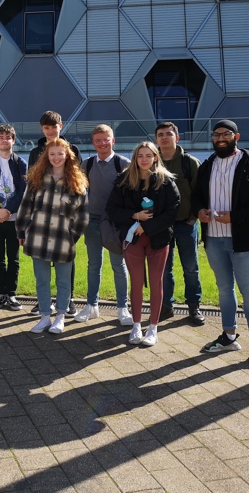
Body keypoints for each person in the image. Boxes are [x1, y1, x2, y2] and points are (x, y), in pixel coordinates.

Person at [192, 120, 249, 370]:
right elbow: (197, 195)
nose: (220, 138)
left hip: (244, 239)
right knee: (224, 289)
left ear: (236, 136)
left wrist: (236, 216)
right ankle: (228, 336)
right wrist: (199, 211)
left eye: (225, 134)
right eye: (216, 135)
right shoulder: (207, 165)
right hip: (214, 238)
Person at [106, 141, 179, 347]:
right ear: (135, 158)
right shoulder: (124, 181)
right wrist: (134, 216)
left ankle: (153, 327)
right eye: (140, 156)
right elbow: (112, 209)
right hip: (133, 240)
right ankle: (136, 326)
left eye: (149, 155)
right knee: (136, 283)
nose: (144, 159)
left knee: (156, 283)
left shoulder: (166, 182)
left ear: (156, 157)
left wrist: (146, 227)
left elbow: (172, 212)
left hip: (158, 239)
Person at [17, 138, 89, 334]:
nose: (56, 157)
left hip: (62, 241)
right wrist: (21, 231)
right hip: (37, 238)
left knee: (63, 281)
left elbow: (82, 216)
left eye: (60, 154)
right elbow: (25, 207)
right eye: (52, 154)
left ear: (67, 156)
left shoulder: (77, 183)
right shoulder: (36, 180)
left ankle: (60, 317)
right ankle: (44, 317)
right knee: (41, 280)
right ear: (46, 157)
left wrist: (71, 236)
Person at [27, 110, 83, 317]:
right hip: (42, 214)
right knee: (41, 257)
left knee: (66, 258)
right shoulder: (35, 152)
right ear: (42, 129)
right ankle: (43, 301)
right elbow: (32, 185)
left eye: (54, 127)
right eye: (47, 128)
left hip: (65, 214)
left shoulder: (73, 149)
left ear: (61, 125)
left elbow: (79, 181)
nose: (51, 131)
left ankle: (68, 300)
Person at [76, 125, 132, 326]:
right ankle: (92, 306)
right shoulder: (87, 164)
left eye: (106, 139)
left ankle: (122, 308)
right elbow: (78, 192)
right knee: (93, 265)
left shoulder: (124, 164)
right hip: (91, 222)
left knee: (119, 265)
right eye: (98, 140)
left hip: (115, 225)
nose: (102, 143)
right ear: (93, 143)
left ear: (113, 140)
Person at [155, 122, 205, 325]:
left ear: (178, 137)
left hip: (186, 224)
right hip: (160, 227)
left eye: (169, 134)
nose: (164, 137)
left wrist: (193, 217)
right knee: (164, 269)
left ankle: (194, 306)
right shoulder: (151, 161)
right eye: (160, 135)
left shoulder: (190, 162)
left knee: (191, 268)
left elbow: (200, 192)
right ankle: (166, 307)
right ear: (156, 139)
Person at [0, 124, 28, 311]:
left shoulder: (21, 164)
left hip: (14, 219)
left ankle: (12, 294)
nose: (4, 140)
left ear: (13, 140)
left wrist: (8, 210)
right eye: (1, 137)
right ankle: (2, 293)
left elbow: (23, 191)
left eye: (8, 137)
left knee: (13, 258)